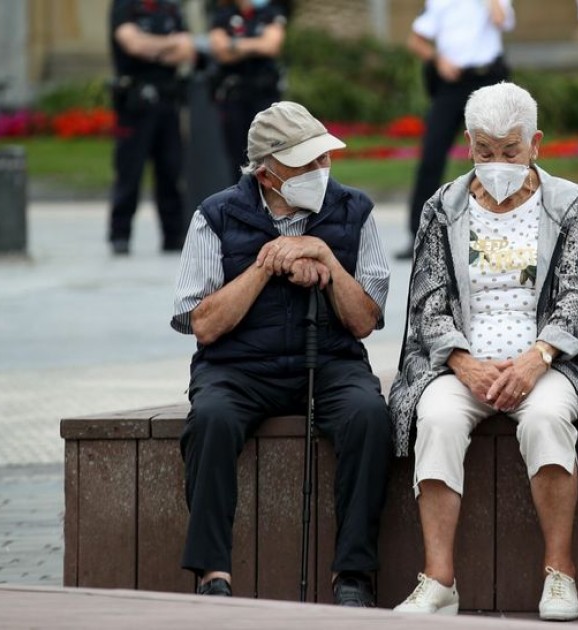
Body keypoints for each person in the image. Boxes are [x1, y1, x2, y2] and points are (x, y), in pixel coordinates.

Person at [388, 82, 578, 621]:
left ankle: (560, 573)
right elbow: (427, 300)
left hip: (545, 359)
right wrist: (462, 362)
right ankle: (438, 580)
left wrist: (538, 358)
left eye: (510, 150)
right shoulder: (444, 207)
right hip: (462, 364)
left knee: (549, 419)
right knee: (435, 417)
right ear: (468, 144)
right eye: (485, 151)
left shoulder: (567, 205)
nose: (497, 162)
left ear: (535, 143)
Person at [171, 101, 392, 607]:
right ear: (269, 174)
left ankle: (353, 575)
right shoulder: (216, 215)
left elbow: (364, 321)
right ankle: (212, 574)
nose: (322, 170)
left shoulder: (354, 210)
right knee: (211, 418)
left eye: (323, 159)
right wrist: (264, 266)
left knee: (368, 416)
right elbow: (200, 324)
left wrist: (327, 259)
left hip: (331, 360)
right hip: (237, 367)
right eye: (307, 163)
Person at [399, 0, 514, 259]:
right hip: (452, 83)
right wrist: (438, 60)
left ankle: (504, 230)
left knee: (499, 154)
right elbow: (416, 40)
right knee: (432, 154)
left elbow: (500, 20)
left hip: (488, 79)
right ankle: (420, 234)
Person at [108, 0, 196, 255]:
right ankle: (120, 234)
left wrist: (151, 47)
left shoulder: (170, 8)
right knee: (129, 173)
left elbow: (187, 50)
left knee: (171, 170)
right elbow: (131, 44)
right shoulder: (125, 6)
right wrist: (169, 44)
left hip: (168, 103)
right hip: (134, 106)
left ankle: (173, 235)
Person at [208, 0, 287, 178]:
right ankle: (242, 202)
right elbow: (220, 50)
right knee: (238, 158)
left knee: (269, 156)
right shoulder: (223, 15)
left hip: (265, 96)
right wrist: (257, 44)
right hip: (234, 96)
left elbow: (271, 46)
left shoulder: (270, 13)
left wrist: (234, 44)